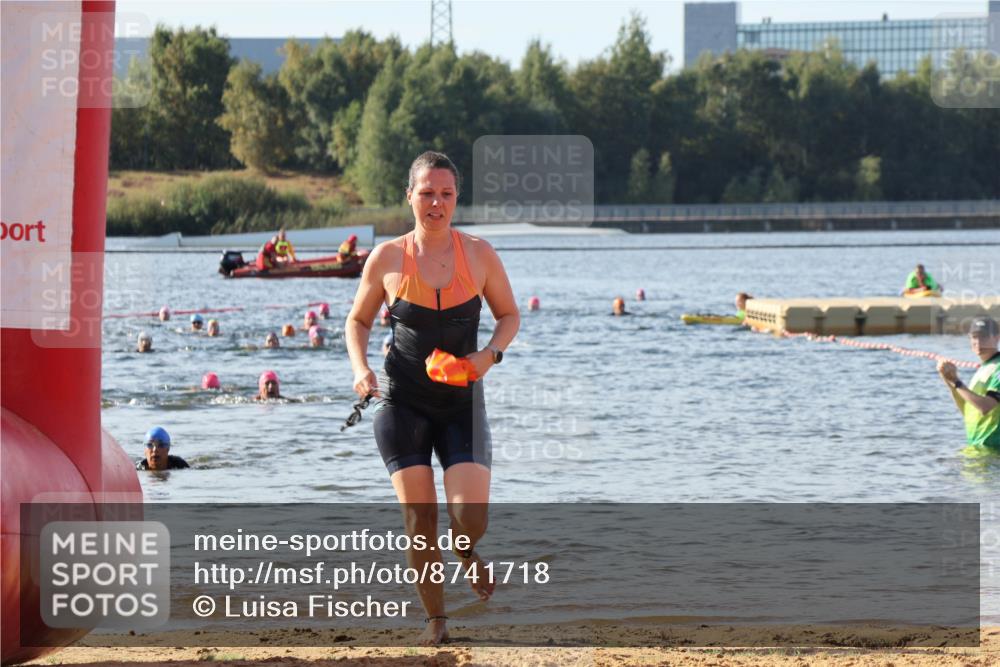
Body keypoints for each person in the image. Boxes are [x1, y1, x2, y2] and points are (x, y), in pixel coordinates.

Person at [345, 151, 520, 646]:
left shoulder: (480, 255)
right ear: (410, 197)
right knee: (419, 520)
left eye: (445, 194)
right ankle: (436, 623)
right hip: (402, 402)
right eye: (427, 193)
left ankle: (465, 552)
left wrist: (490, 356)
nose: (436, 203)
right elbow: (356, 322)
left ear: (456, 198)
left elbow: (509, 316)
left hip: (461, 402)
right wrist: (360, 370)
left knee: (471, 520)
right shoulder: (388, 259)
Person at [937, 317, 1000, 451]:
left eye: (984, 337)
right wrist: (949, 380)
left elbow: (985, 406)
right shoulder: (984, 368)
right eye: (974, 337)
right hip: (976, 447)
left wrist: (956, 382)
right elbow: (968, 410)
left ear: (997, 338)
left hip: (993, 450)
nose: (978, 342)